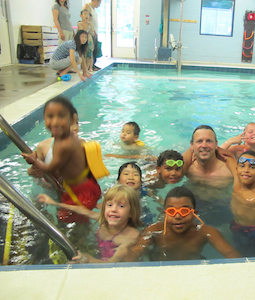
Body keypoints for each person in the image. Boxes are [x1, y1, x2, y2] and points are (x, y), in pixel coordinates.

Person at [22, 96, 101, 224]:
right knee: (48, 221)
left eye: (76, 123)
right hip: (50, 191)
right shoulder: (43, 146)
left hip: (74, 192)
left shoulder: (82, 145)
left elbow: (91, 174)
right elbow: (34, 173)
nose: (74, 128)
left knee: (79, 221)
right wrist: (31, 171)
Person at [125, 187, 241, 261]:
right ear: (165, 214)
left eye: (184, 211)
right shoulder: (153, 230)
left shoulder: (206, 232)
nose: (178, 216)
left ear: (194, 213)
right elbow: (136, 250)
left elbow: (230, 252)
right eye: (171, 212)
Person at [41, 185, 141, 263]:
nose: (113, 209)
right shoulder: (103, 220)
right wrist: (54, 203)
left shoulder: (129, 238)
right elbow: (83, 210)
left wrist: (89, 260)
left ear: (131, 212)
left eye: (121, 206)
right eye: (110, 205)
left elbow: (112, 264)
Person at [83, 0, 102, 71]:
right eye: (99, 3)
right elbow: (85, 19)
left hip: (94, 32)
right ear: (96, 1)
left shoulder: (93, 9)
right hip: (89, 33)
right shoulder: (87, 7)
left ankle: (92, 65)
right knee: (89, 51)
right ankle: (88, 66)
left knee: (94, 50)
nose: (99, 5)